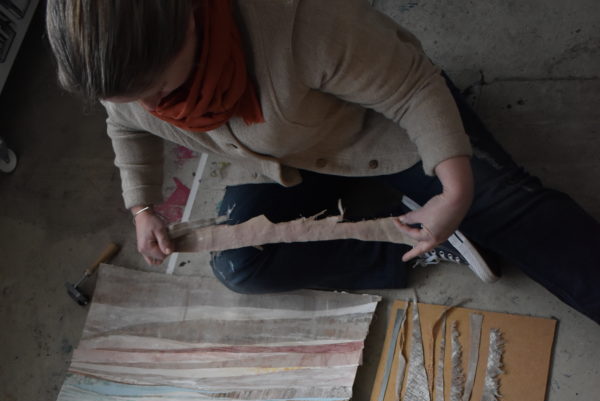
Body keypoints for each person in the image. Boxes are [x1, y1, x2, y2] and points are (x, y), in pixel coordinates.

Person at [46, 0, 600, 323]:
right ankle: (409, 246)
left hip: (386, 130)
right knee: (238, 264)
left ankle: (436, 212)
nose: (153, 107)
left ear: (189, 22)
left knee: (519, 215)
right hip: (289, 156)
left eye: (159, 87)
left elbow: (413, 88)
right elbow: (124, 124)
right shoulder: (126, 73)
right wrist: (142, 206)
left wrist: (454, 190)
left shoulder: (300, 22)